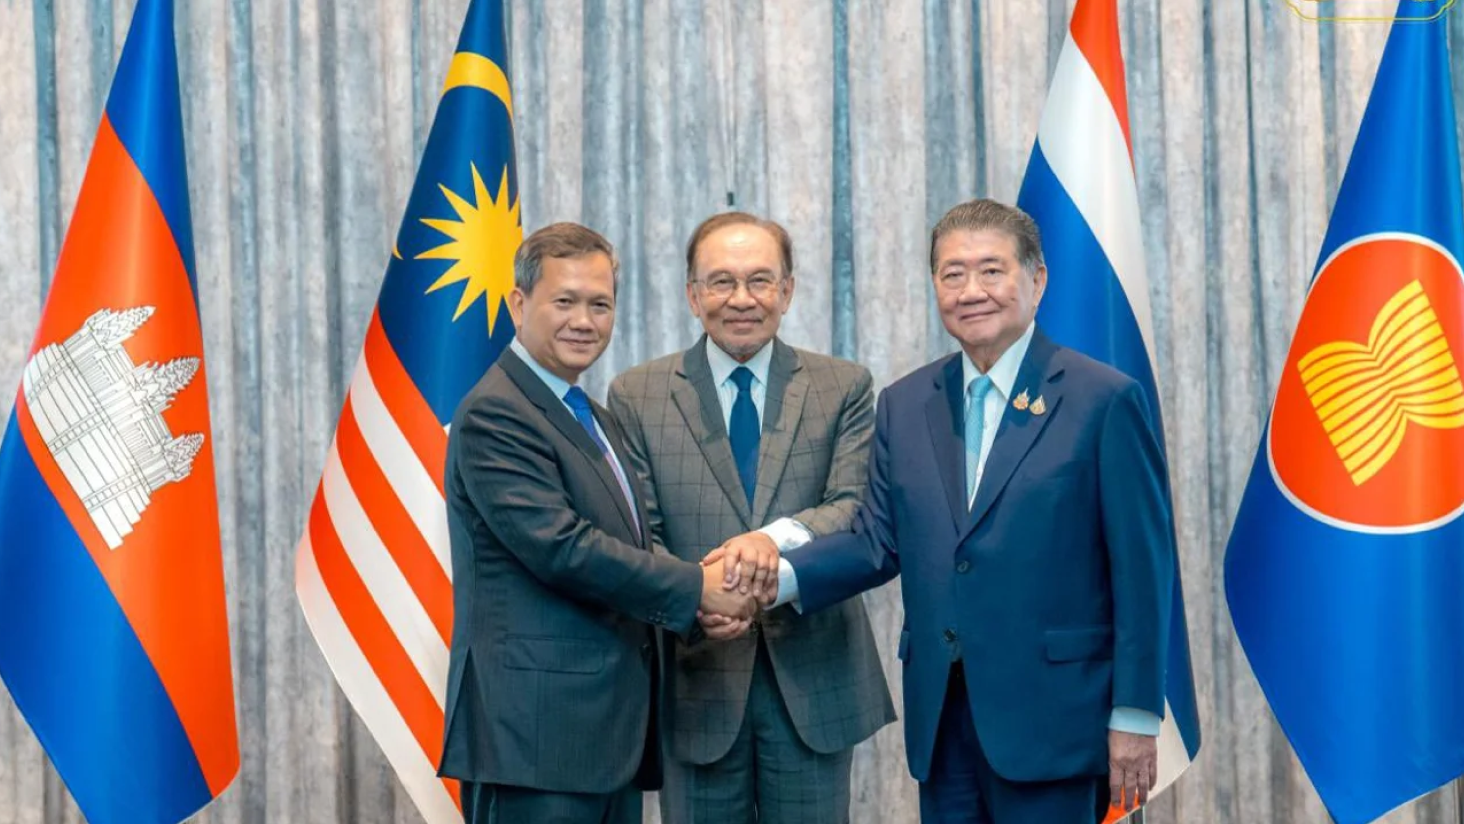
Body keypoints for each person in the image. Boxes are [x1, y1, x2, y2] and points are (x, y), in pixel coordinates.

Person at [751, 199, 1172, 824]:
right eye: (952, 274)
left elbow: (1143, 569)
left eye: (991, 270)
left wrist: (1134, 715)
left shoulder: (1102, 400)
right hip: (944, 722)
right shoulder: (906, 403)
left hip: (1054, 722)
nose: (971, 290)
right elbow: (874, 541)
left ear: (1037, 279)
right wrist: (772, 577)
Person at [437, 222, 756, 824]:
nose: (584, 321)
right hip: (535, 742)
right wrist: (697, 588)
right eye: (565, 301)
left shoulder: (594, 417)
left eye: (600, 304)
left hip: (606, 739)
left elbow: (629, 545)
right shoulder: (495, 413)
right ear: (518, 304)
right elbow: (563, 549)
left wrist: (697, 611)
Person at [607, 212, 894, 824]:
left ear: (787, 291)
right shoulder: (637, 394)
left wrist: (768, 541)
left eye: (760, 280)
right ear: (693, 295)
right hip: (696, 679)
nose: (742, 299)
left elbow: (854, 506)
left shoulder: (843, 386)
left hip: (815, 680)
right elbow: (637, 532)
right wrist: (697, 598)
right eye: (722, 281)